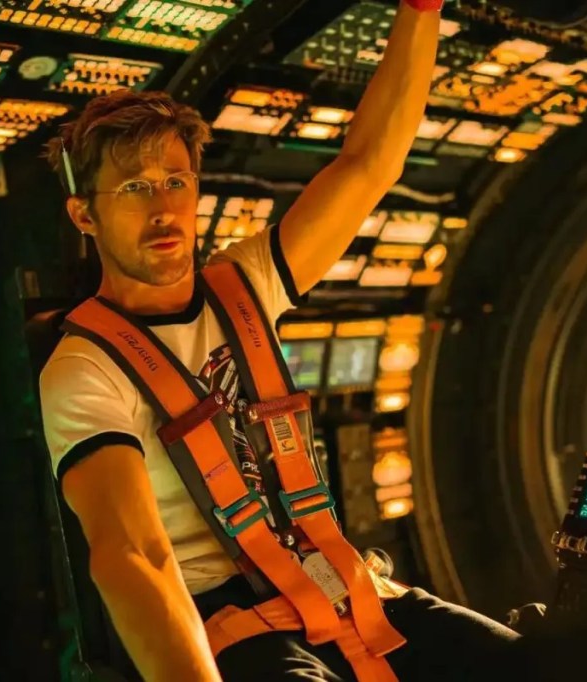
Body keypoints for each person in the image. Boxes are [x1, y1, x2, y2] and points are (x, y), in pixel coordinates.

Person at [39, 2, 522, 679]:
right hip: (231, 623)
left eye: (176, 182)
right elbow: (133, 555)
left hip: (351, 592)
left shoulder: (247, 284)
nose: (163, 209)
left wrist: (421, 11)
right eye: (134, 188)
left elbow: (368, 165)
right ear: (84, 214)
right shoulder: (83, 370)